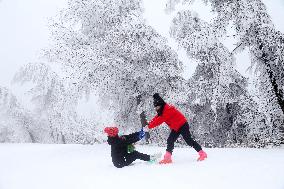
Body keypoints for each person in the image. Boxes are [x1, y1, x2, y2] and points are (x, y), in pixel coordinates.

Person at [147, 93, 207, 164]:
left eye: (157, 107)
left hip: (182, 125)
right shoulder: (162, 110)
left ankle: (202, 154)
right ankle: (167, 158)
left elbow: (158, 120)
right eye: (155, 107)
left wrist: (148, 127)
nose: (156, 109)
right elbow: (157, 117)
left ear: (161, 105)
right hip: (176, 127)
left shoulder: (166, 110)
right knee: (170, 140)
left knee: (189, 141)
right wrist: (148, 124)